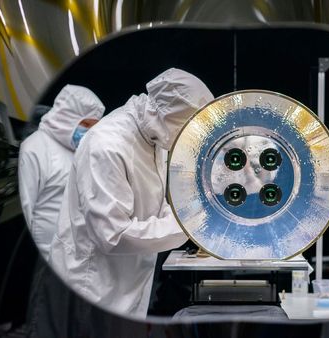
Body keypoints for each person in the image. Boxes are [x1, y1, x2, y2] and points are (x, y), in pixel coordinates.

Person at [49, 68, 214, 318]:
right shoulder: (106, 145)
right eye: (190, 128)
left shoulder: (157, 136)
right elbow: (113, 235)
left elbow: (155, 203)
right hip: (92, 285)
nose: (193, 138)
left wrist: (190, 209)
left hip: (129, 280)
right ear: (172, 116)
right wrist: (190, 223)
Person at [18, 84, 104, 337]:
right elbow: (26, 206)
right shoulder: (35, 148)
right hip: (50, 259)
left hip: (80, 261)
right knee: (46, 325)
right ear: (69, 117)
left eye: (94, 127)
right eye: (86, 125)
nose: (89, 133)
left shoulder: (81, 153)